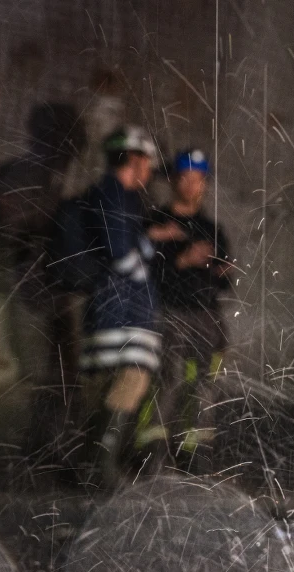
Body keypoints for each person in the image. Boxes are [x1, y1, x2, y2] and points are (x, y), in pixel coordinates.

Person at [0, 102, 86, 480]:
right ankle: (42, 458)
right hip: (35, 296)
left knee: (55, 377)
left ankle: (45, 453)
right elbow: (23, 232)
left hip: (40, 293)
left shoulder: (37, 173)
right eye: (71, 137)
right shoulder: (31, 175)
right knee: (49, 377)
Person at [71, 126, 186, 488]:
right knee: (132, 378)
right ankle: (99, 467)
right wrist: (145, 252)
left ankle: (95, 466)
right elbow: (120, 254)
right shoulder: (114, 195)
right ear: (134, 159)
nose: (149, 171)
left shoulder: (117, 197)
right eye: (147, 162)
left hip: (119, 307)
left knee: (123, 382)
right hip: (121, 310)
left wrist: (147, 238)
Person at [137, 149, 234, 473]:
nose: (192, 185)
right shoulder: (156, 223)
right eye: (185, 178)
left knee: (203, 385)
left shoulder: (212, 229)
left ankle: (195, 455)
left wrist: (222, 271)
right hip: (169, 314)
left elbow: (225, 283)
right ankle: (152, 455)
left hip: (206, 317)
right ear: (174, 181)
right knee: (168, 381)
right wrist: (182, 260)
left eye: (198, 179)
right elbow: (143, 272)